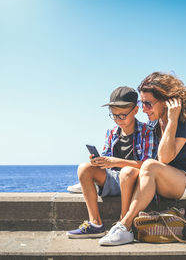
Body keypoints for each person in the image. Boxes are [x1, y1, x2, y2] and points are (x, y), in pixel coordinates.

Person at [99, 72, 186, 246]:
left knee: (149, 165)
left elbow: (163, 158)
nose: (144, 109)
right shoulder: (154, 123)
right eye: (142, 103)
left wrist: (171, 120)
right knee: (139, 168)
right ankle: (123, 224)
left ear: (166, 101)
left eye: (148, 103)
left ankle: (124, 226)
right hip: (165, 179)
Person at [66, 86, 158, 238]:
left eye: (122, 115)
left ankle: (123, 224)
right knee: (84, 168)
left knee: (127, 172)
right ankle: (95, 224)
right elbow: (107, 160)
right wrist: (98, 162)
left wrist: (117, 161)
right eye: (114, 116)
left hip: (135, 182)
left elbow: (148, 165)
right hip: (114, 179)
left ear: (135, 110)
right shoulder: (112, 132)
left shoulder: (147, 131)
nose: (118, 120)